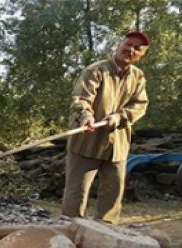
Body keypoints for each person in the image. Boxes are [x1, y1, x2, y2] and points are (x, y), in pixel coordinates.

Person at [61, 31, 150, 224]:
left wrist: (119, 117)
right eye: (128, 44)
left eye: (137, 48)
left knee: (112, 193)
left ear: (141, 55)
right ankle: (70, 231)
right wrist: (86, 116)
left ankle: (106, 231)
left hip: (117, 146)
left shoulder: (138, 77)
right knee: (76, 193)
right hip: (86, 143)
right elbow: (81, 99)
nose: (130, 49)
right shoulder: (95, 70)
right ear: (119, 45)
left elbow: (140, 105)